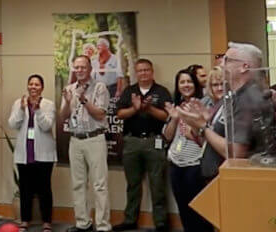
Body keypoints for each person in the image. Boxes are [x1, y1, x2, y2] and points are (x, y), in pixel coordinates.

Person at [179, 42, 274, 179]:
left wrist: (203, 127)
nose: (221, 65)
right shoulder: (237, 95)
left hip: (238, 181)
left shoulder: (247, 99)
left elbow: (236, 153)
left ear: (244, 67)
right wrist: (207, 123)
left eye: (227, 60)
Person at [113, 59, 172, 232]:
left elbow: (167, 116)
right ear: (136, 73)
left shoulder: (161, 92)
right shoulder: (129, 91)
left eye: (146, 70)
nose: (143, 73)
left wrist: (148, 108)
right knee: (132, 184)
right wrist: (135, 108)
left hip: (155, 141)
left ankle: (161, 223)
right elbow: (120, 114)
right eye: (140, 70)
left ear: (152, 72)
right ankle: (130, 220)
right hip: (132, 142)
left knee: (157, 184)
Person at [60, 55, 110, 232]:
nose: (79, 70)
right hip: (75, 139)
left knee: (99, 185)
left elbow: (100, 114)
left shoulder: (99, 88)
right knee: (78, 184)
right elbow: (63, 116)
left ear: (90, 69)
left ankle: (103, 226)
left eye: (83, 67)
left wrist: (83, 100)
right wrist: (67, 102)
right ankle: (83, 223)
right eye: (77, 67)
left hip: (94, 138)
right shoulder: (69, 89)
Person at [163, 68, 213, 232]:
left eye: (189, 81)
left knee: (200, 210)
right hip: (176, 162)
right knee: (183, 209)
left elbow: (207, 135)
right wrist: (175, 118)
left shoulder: (204, 103)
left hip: (195, 163)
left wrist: (192, 126)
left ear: (196, 84)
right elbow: (168, 136)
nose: (186, 85)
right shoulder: (176, 106)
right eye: (182, 82)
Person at [8, 74, 57, 232]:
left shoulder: (48, 104)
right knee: (25, 189)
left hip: (44, 154)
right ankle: (25, 220)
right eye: (31, 84)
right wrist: (22, 110)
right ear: (27, 86)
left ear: (42, 88)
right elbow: (12, 124)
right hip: (24, 153)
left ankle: (47, 222)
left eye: (37, 84)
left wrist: (38, 111)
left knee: (44, 189)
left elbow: (47, 126)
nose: (33, 87)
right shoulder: (19, 103)